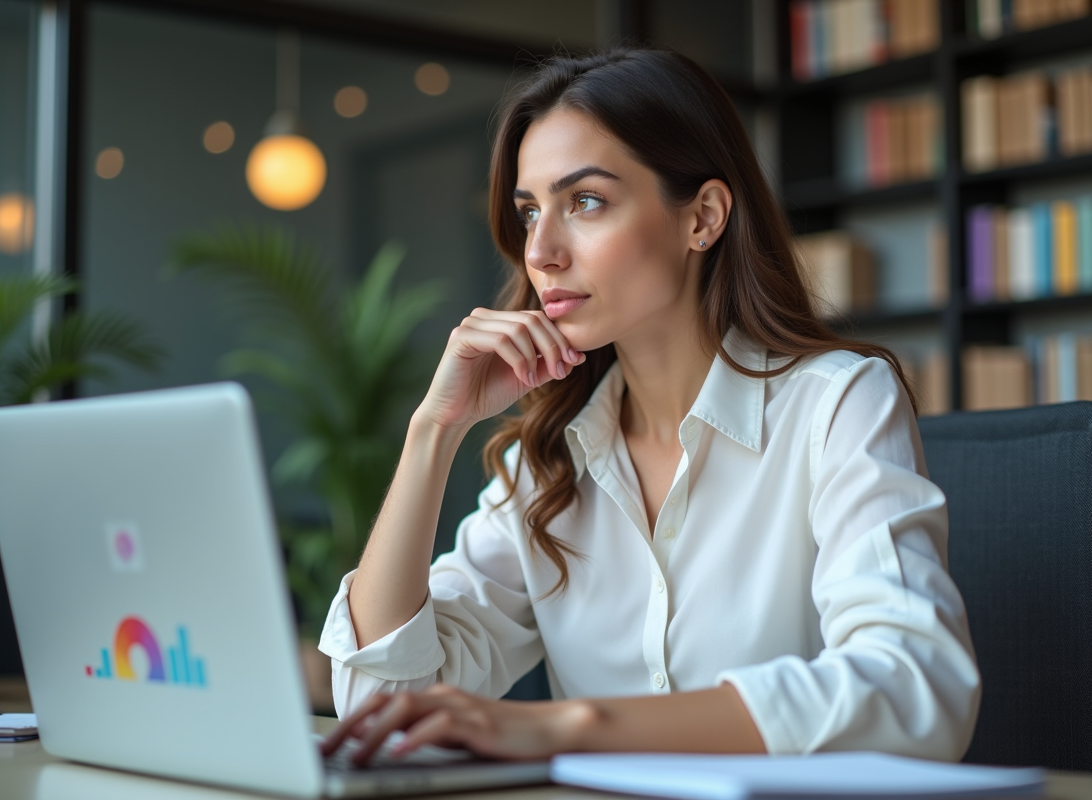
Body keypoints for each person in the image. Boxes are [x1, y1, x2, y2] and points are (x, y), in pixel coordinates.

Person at [318, 47, 980, 765]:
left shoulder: (836, 405)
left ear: (702, 218)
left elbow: (916, 689)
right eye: (530, 211)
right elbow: (379, 703)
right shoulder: (546, 462)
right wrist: (434, 431)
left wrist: (571, 726)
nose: (540, 251)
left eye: (585, 201)